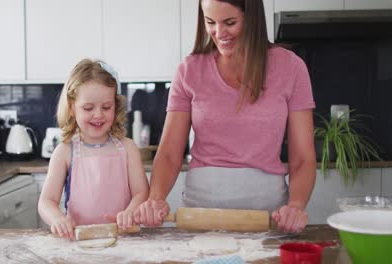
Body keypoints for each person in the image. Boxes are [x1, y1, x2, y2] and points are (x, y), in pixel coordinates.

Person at [134, 0, 316, 233]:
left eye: (230, 22)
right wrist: (156, 197)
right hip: (201, 214)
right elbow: (169, 153)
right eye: (210, 22)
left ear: (252, 19)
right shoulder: (189, 70)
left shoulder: (291, 68)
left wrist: (296, 206)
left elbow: (302, 157)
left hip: (267, 215)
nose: (219, 34)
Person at [38, 59, 149, 240]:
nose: (98, 114)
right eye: (88, 108)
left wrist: (130, 212)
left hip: (124, 240)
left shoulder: (128, 148)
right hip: (80, 241)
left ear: (116, 105)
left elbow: (142, 192)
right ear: (72, 107)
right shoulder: (65, 152)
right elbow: (46, 201)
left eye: (106, 107)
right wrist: (57, 219)